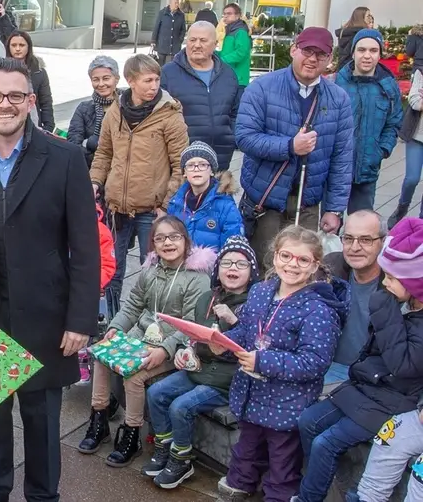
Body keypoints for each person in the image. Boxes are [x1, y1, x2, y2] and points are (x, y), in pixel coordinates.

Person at [0, 57, 99, 502]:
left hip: (47, 320)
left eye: (15, 96)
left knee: (43, 432)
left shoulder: (66, 157)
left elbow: (85, 248)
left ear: (31, 101)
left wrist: (80, 319)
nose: (4, 104)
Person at [294, 218, 423, 502]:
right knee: (307, 421)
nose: (385, 282)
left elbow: (403, 364)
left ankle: (308, 497)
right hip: (365, 387)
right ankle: (320, 488)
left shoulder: (393, 305)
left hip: (394, 401)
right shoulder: (401, 301)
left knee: (326, 443)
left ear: (415, 283)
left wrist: (384, 306)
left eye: (391, 278)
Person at [216, 227, 346, 502]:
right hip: (252, 394)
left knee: (282, 463)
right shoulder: (261, 291)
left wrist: (262, 361)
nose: (292, 264)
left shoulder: (319, 309)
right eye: (285, 255)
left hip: (288, 403)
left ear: (314, 265)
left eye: (302, 260)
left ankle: (277, 497)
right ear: (274, 257)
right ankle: (238, 487)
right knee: (245, 451)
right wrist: (224, 343)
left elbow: (315, 362)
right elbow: (248, 330)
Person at [79, 215, 213, 466]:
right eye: (160, 238)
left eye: (174, 237)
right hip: (141, 336)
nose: (167, 243)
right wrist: (116, 328)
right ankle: (98, 420)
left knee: (135, 375)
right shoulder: (150, 270)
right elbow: (132, 305)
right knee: (100, 355)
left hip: (175, 346)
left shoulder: (197, 278)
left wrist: (165, 349)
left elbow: (191, 325)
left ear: (185, 240)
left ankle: (131, 433)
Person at [144, 235, 256, 490]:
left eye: (241, 264)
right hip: (200, 367)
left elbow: (256, 346)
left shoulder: (256, 302)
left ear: (252, 271)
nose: (232, 269)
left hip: (229, 377)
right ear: (218, 269)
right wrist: (187, 351)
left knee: (181, 406)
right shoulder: (207, 298)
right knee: (156, 392)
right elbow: (196, 336)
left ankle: (181, 459)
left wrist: (235, 323)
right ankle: (164, 446)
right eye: (227, 263)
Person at [235, 27, 354, 268]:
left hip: (308, 201)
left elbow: (342, 156)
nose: (312, 59)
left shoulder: (338, 99)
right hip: (265, 198)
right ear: (293, 50)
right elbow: (245, 137)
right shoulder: (262, 88)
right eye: (307, 51)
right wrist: (289, 146)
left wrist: (334, 209)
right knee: (264, 265)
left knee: (302, 268)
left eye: (320, 55)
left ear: (329, 59)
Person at [90, 54, 190, 317]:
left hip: (151, 208)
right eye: (147, 80)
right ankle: (111, 320)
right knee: (111, 267)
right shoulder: (115, 112)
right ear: (131, 81)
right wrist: (94, 182)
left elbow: (181, 164)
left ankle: (150, 322)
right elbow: (104, 153)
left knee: (153, 269)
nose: (153, 86)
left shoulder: (169, 115)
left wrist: (166, 205)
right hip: (116, 207)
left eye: (157, 79)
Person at [335, 28, 402, 213]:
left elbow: (394, 122)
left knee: (361, 228)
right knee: (330, 229)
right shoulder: (337, 84)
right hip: (337, 172)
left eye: (373, 51)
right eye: (362, 50)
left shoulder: (388, 86)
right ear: (353, 52)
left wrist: (381, 150)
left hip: (368, 171)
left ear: (380, 54)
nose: (367, 56)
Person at [160, 21, 242, 170]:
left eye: (203, 40)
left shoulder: (228, 74)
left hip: (220, 158)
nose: (196, 45)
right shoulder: (167, 73)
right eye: (192, 40)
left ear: (216, 44)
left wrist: (231, 137)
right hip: (180, 160)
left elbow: (236, 113)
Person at [321, 210, 386, 385]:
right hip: (324, 366)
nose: (355, 247)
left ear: (383, 241)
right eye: (348, 238)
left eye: (365, 240)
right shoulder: (330, 267)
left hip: (370, 376)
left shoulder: (396, 286)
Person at [167, 141, 244, 252]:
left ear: (211, 171)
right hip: (179, 264)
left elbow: (232, 246)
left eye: (203, 165)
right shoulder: (175, 202)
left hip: (211, 266)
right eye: (190, 165)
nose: (196, 169)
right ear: (184, 172)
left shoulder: (225, 205)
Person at [67, 55, 121, 168]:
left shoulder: (127, 106)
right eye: (95, 79)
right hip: (90, 168)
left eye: (106, 78)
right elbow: (73, 143)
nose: (101, 84)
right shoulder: (84, 108)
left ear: (116, 79)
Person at [5, 30, 54, 132]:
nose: (17, 49)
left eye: (21, 45)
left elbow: (46, 102)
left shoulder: (39, 72)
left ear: (28, 47)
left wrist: (48, 127)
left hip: (34, 123)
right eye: (14, 45)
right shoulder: (2, 71)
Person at [394, 68, 423, 226]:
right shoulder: (421, 72)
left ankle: (421, 221)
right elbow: (415, 102)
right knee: (412, 178)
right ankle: (402, 208)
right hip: (417, 136)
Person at [220, 4, 252, 88]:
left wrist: (222, 60)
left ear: (237, 16)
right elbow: (227, 51)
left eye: (229, 14)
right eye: (224, 14)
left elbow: (241, 52)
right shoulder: (231, 30)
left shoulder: (241, 31)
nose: (225, 16)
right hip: (231, 76)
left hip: (239, 78)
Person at [152, 0, 187, 65]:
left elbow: (183, 29)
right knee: (161, 66)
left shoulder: (181, 15)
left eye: (178, 3)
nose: (177, 5)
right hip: (162, 45)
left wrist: (180, 40)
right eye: (175, 2)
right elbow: (156, 27)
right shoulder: (162, 13)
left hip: (175, 46)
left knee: (171, 66)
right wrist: (153, 40)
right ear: (170, 3)